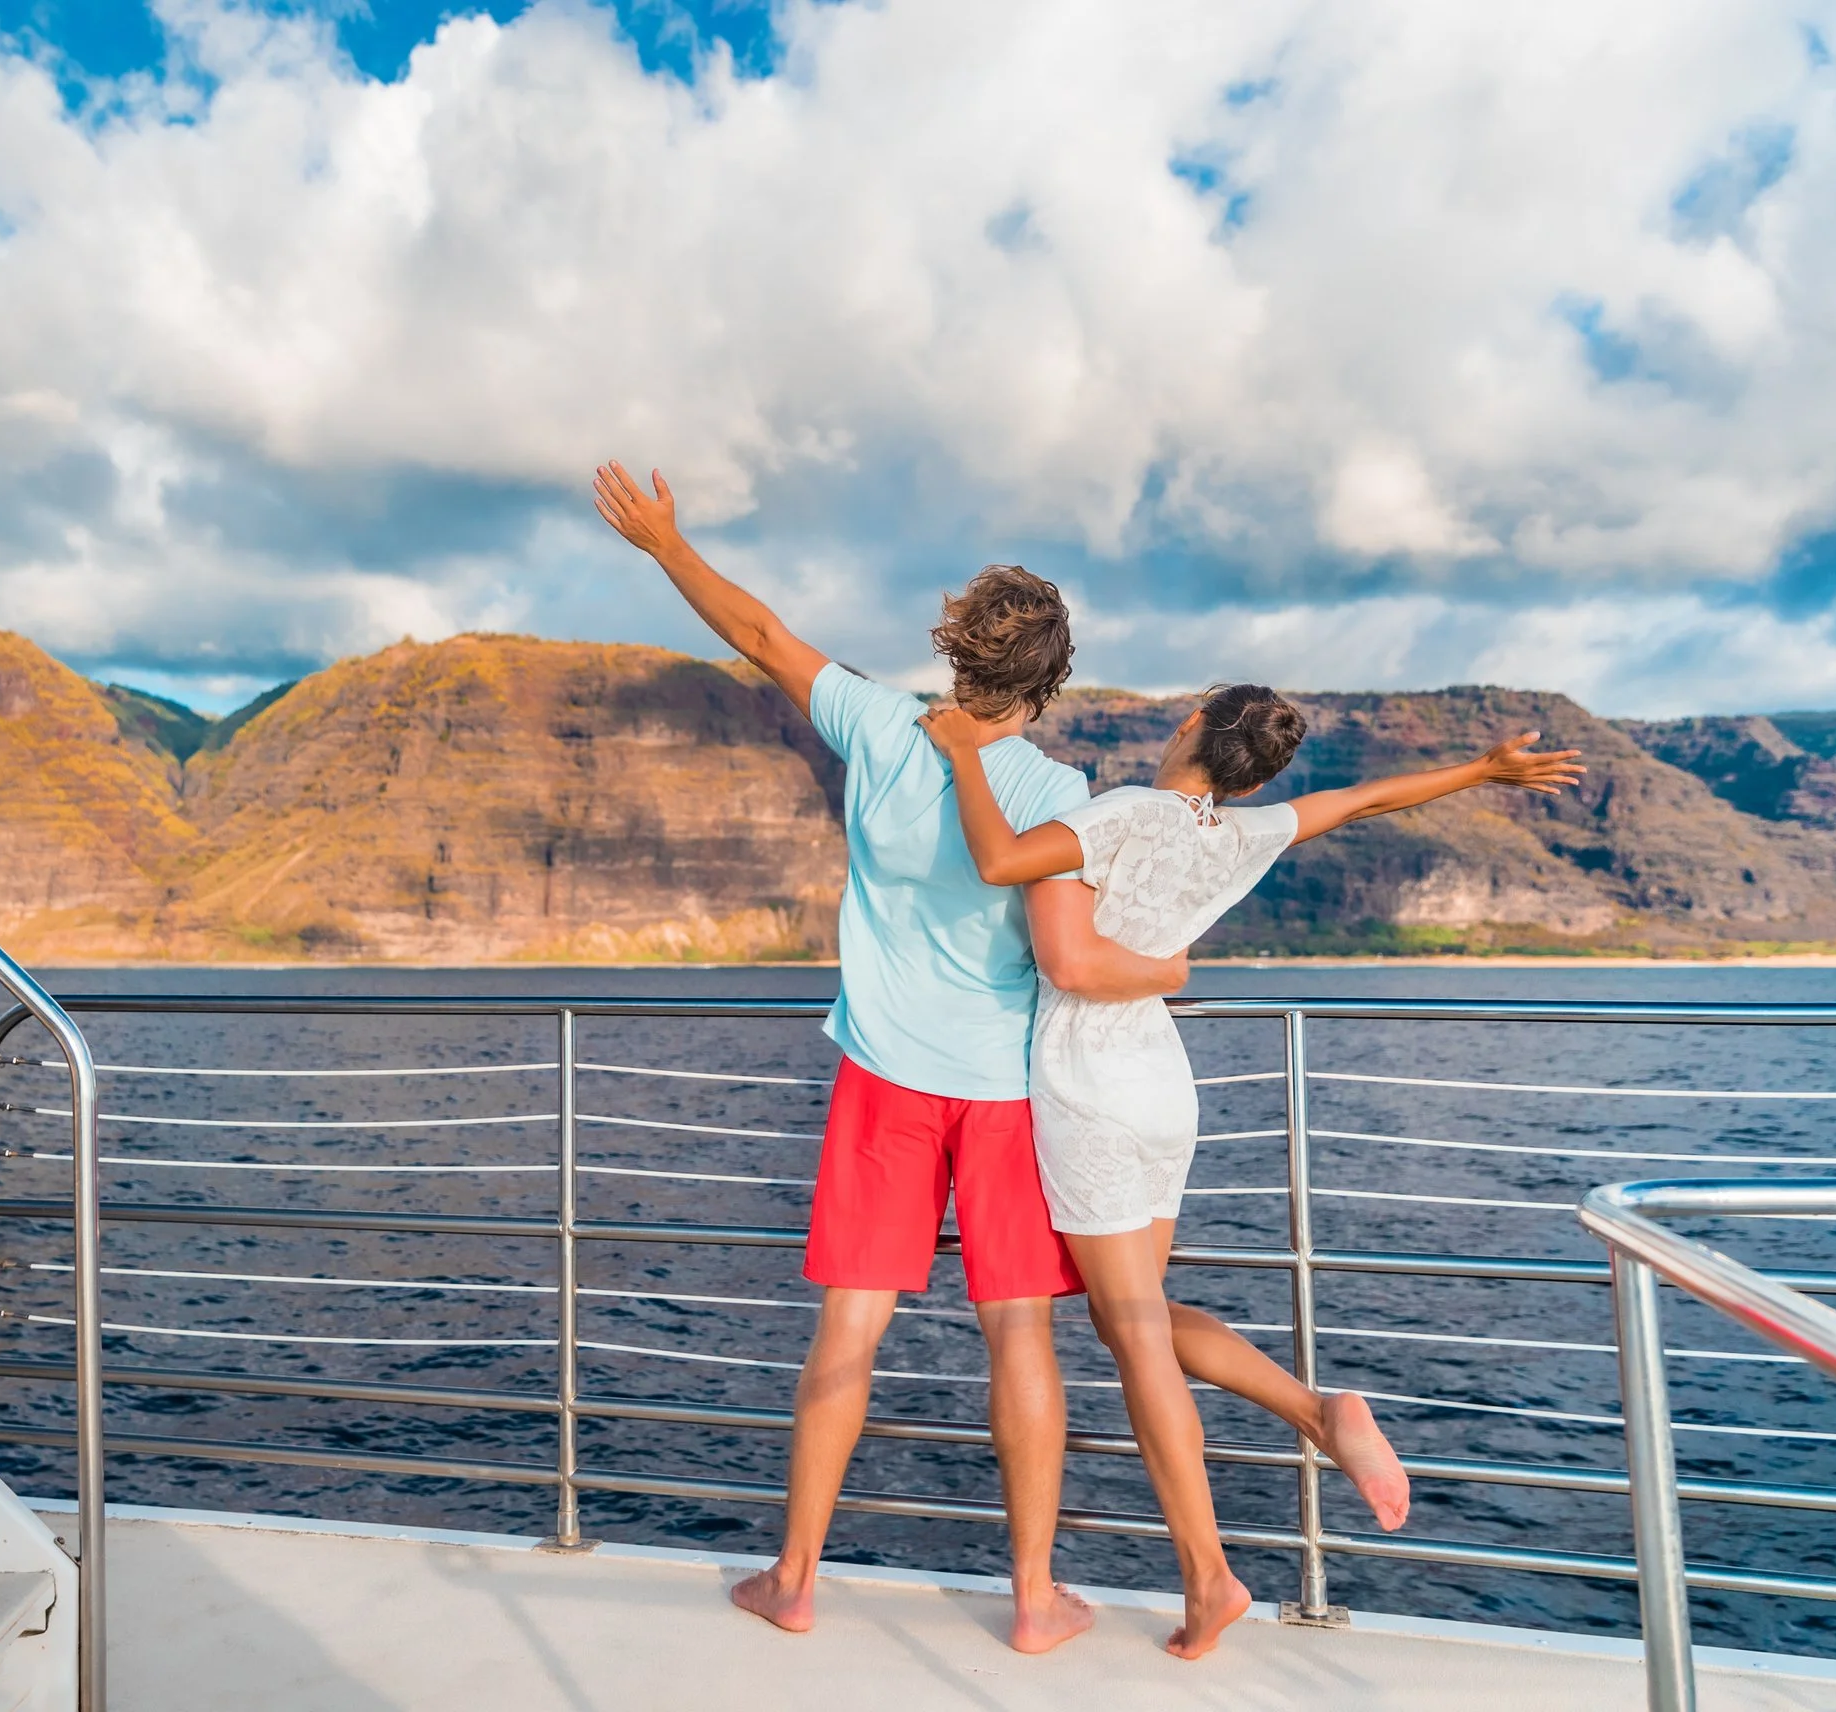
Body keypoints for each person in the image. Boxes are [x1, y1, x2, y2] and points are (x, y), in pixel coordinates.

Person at [591, 462, 1182, 1653]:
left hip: (883, 1080)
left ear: (953, 647)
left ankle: (796, 1578)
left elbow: (757, 631)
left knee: (847, 1334)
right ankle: (1031, 1597)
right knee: (1020, 1333)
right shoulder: (1054, 788)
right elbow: (1083, 943)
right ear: (1049, 680)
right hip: (1008, 1091)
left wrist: (664, 542)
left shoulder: (876, 724)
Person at [920, 682, 1585, 1660]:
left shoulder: (1120, 813)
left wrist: (960, 754)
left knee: (1137, 1336)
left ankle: (1207, 1573)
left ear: (1188, 723)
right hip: (1158, 1082)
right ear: (1259, 774)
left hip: (1090, 1084)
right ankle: (1319, 1409)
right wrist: (1481, 770)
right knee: (1127, 1312)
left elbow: (997, 860)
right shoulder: (1238, 835)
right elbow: (1358, 800)